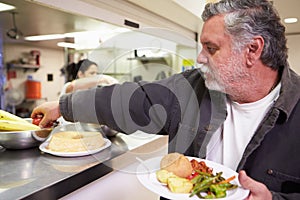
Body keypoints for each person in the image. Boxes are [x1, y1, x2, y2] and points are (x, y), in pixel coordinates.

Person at [32, 0, 300, 199]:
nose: (200, 58)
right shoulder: (190, 87)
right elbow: (131, 100)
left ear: (252, 50)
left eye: (211, 48)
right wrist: (62, 106)